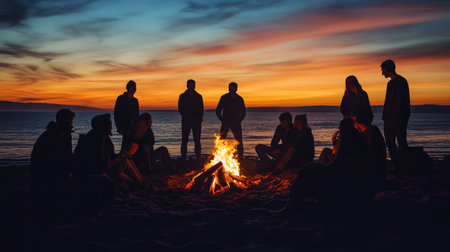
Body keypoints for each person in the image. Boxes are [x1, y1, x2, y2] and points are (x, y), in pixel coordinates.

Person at [73, 114, 141, 187]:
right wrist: (121, 156)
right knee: (125, 161)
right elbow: (103, 165)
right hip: (96, 174)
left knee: (125, 159)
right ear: (104, 126)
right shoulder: (96, 141)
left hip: (103, 171)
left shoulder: (104, 139)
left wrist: (122, 155)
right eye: (110, 125)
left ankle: (137, 181)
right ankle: (137, 181)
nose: (112, 127)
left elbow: (109, 160)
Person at [31, 109, 75, 213]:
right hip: (46, 171)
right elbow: (52, 158)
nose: (72, 123)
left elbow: (67, 155)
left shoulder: (65, 134)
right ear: (66, 121)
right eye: (71, 121)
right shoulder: (51, 136)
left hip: (54, 168)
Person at [381, 59, 410, 164]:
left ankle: (399, 164)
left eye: (383, 70)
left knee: (394, 142)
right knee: (400, 141)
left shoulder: (395, 83)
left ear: (387, 69)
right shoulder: (401, 81)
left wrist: (391, 118)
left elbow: (396, 102)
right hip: (396, 118)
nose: (382, 73)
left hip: (394, 118)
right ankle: (401, 163)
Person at [353, 110, 386, 192]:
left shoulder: (368, 133)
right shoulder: (373, 130)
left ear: (356, 121)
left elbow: (365, 153)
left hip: (371, 169)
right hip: (377, 167)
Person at [216, 82, 246, 159]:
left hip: (236, 122)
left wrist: (239, 120)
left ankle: (241, 157)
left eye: (233, 87)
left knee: (239, 141)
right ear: (228, 88)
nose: (232, 89)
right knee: (222, 140)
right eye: (231, 87)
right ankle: (220, 157)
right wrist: (222, 120)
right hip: (226, 122)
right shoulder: (224, 97)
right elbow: (218, 110)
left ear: (236, 89)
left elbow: (243, 112)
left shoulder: (239, 99)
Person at [178, 79, 204, 160]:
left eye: (193, 85)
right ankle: (183, 157)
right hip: (186, 121)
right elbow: (180, 108)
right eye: (190, 85)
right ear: (187, 85)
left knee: (197, 140)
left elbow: (201, 109)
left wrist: (199, 119)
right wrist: (186, 116)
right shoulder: (182, 96)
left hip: (196, 121)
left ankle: (198, 157)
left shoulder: (199, 96)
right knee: (184, 140)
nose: (192, 86)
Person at [114, 80, 139, 150]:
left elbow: (137, 114)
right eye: (133, 87)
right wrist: (119, 126)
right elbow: (116, 113)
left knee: (132, 145)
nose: (134, 89)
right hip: (125, 126)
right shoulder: (121, 98)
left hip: (133, 126)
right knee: (125, 144)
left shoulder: (135, 100)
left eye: (135, 87)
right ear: (128, 88)